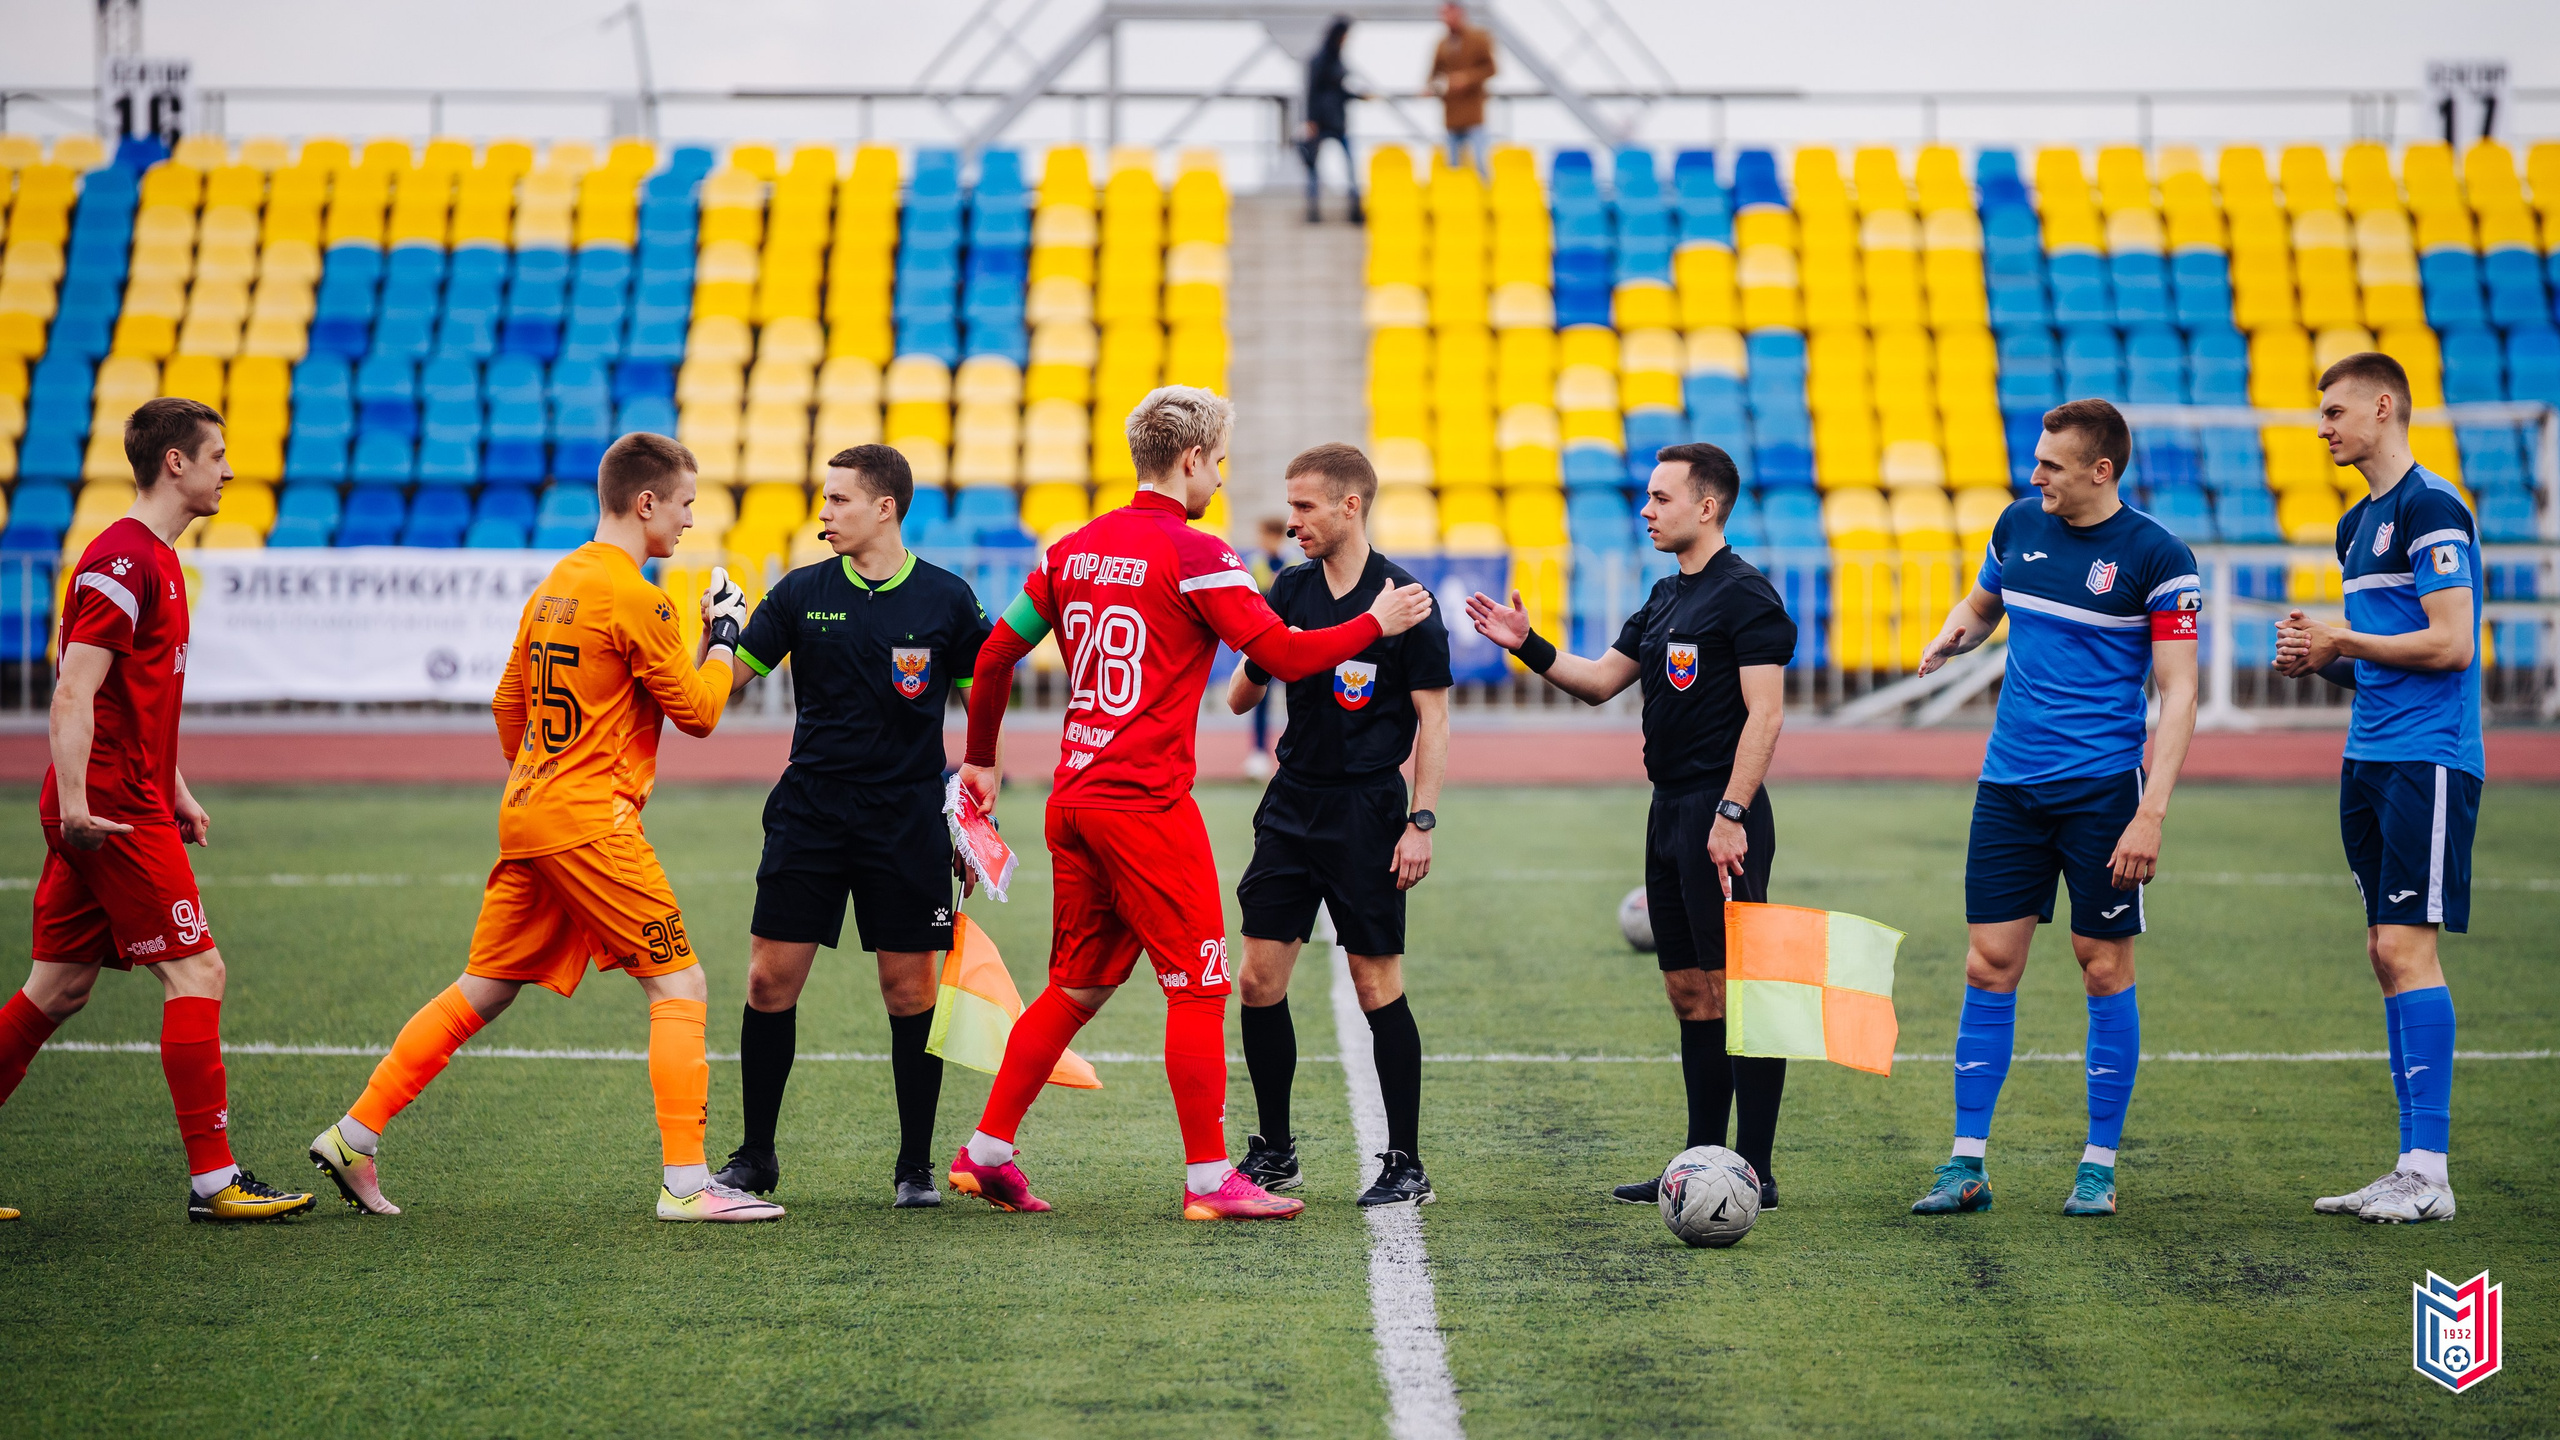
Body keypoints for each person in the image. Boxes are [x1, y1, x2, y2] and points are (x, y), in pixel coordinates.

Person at [948, 386, 1435, 1220]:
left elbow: (994, 658)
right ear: (1189, 461)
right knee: (1202, 986)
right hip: (1142, 804)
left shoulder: (1071, 550)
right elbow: (1279, 650)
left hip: (1073, 798)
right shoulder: (1196, 553)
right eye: (1215, 463)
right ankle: (1212, 1179)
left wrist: (981, 762)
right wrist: (1373, 623)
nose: (1218, 478)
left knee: (1076, 985)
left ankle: (987, 1151)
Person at [308, 433, 781, 1223]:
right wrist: (729, 638)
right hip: (591, 822)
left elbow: (508, 704)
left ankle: (355, 1134)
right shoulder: (638, 595)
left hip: (533, 813)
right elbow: (698, 714)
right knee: (681, 983)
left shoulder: (558, 583)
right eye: (688, 504)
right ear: (646, 502)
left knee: (483, 989)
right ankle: (688, 1184)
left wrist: (543, 773)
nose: (691, 522)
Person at [0, 398, 318, 1223]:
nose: (230, 470)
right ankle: (215, 1182)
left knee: (57, 990)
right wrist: (78, 803)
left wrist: (174, 786)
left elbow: (140, 698)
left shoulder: (161, 560)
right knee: (198, 971)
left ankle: (215, 1181)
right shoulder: (120, 561)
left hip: (128, 799)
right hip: (107, 812)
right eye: (217, 455)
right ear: (174, 462)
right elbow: (74, 689)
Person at [1465, 442, 1796, 1209]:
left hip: (1723, 810)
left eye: (1660, 498)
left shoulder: (1746, 596)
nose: (1645, 511)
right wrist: (1530, 646)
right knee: (1689, 992)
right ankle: (1702, 1163)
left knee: (1738, 990)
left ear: (1706, 506)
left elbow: (1767, 715)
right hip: (1668, 809)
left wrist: (1733, 813)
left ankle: (1755, 1170)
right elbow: (1599, 683)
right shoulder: (1664, 595)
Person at [1903, 398, 2200, 1220]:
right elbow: (1983, 604)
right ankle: (1967, 1165)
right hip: (2008, 787)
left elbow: (2178, 696)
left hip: (2104, 792)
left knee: (2101, 965)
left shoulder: (2158, 557)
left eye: (2052, 466)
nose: (2034, 476)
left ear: (2101, 471)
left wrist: (2154, 812)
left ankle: (2098, 1166)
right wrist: (1953, 633)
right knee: (1986, 965)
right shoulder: (2015, 525)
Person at [708, 446, 992, 1210]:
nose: (824, 513)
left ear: (884, 508)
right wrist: (719, 636)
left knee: (908, 993)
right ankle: (756, 1156)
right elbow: (726, 685)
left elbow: (983, 696)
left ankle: (915, 1166)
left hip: (906, 823)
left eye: (838, 500)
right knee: (770, 982)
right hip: (810, 816)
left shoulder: (945, 598)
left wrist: (980, 782)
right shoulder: (802, 592)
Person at [2275, 352, 2480, 1226]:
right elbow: (2383, 663)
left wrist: (2343, 640)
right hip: (2371, 755)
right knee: (2384, 952)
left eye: (2334, 411)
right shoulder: (2355, 524)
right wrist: (2321, 660)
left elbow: (2453, 646)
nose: (2322, 426)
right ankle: (2409, 1164)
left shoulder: (2432, 506)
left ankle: (2428, 1171)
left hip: (2428, 758)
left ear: (2383, 406)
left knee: (2406, 951)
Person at [1226, 443, 1451, 1208]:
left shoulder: (1408, 599)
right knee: (1257, 980)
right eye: (1290, 508)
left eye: (1306, 507)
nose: (1293, 523)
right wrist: (1261, 655)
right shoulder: (1288, 589)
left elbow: (1434, 721)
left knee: (1375, 982)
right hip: (1291, 806)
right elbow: (1239, 699)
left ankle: (1406, 1162)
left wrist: (1420, 821)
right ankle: (1275, 1153)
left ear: (1350, 506)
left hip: (1367, 811)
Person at [1241, 516, 1295, 778]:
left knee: (1297, 698)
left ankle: (1296, 750)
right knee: (1259, 698)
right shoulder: (1256, 562)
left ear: (1275, 536)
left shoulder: (1296, 561)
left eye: (1264, 535)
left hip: (1294, 641)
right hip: (1265, 641)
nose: (1260, 541)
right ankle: (1259, 754)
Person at [1301, 15, 1364, 224]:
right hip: (1321, 122)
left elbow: (1339, 91)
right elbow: (1311, 92)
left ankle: (1355, 207)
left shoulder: (1336, 58)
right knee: (1315, 168)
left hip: (1337, 122)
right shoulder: (1320, 60)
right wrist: (1310, 121)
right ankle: (1313, 208)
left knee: (1350, 166)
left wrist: (1359, 96)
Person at [1426, 3, 1497, 174]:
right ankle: (1457, 198)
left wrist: (1467, 78)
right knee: (1452, 164)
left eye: (1449, 14)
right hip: (1451, 113)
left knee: (1480, 161)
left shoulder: (1478, 39)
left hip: (1473, 112)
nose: (1446, 19)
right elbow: (1434, 73)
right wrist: (1432, 87)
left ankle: (1486, 198)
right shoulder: (1442, 44)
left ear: (1460, 14)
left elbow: (1491, 68)